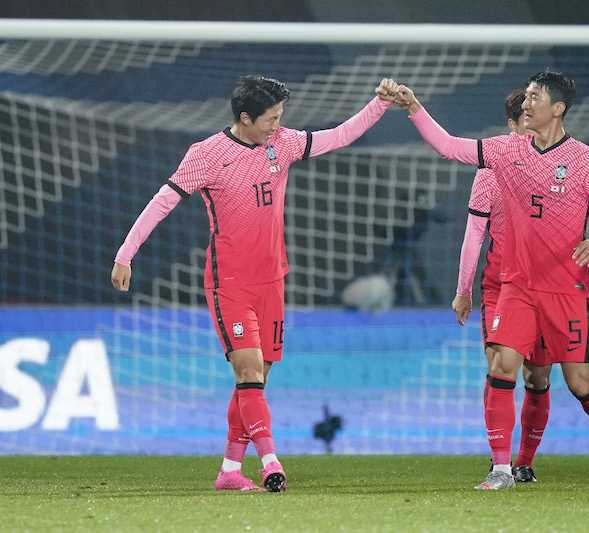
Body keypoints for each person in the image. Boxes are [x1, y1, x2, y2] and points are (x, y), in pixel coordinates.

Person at [111, 75, 399, 492]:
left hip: (273, 282)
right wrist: (125, 254)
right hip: (230, 284)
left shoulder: (283, 143)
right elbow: (163, 202)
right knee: (248, 371)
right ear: (245, 118)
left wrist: (380, 104)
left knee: (254, 381)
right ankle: (270, 462)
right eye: (271, 118)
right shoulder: (207, 154)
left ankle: (230, 471)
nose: (277, 125)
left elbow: (339, 135)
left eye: (280, 117)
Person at [394, 71, 589, 490]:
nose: (526, 103)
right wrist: (414, 108)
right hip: (517, 286)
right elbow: (449, 147)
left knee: (581, 384)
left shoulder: (584, 158)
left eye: (535, 97)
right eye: (527, 97)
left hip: (566, 289)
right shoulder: (506, 151)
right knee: (502, 367)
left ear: (557, 108)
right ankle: (502, 469)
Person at [451, 89, 550, 484]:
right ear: (512, 125)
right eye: (525, 119)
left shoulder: (559, 164)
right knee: (499, 370)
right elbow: (474, 235)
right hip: (502, 286)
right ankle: (501, 465)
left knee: (538, 378)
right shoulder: (490, 172)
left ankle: (524, 462)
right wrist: (463, 290)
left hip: (546, 288)